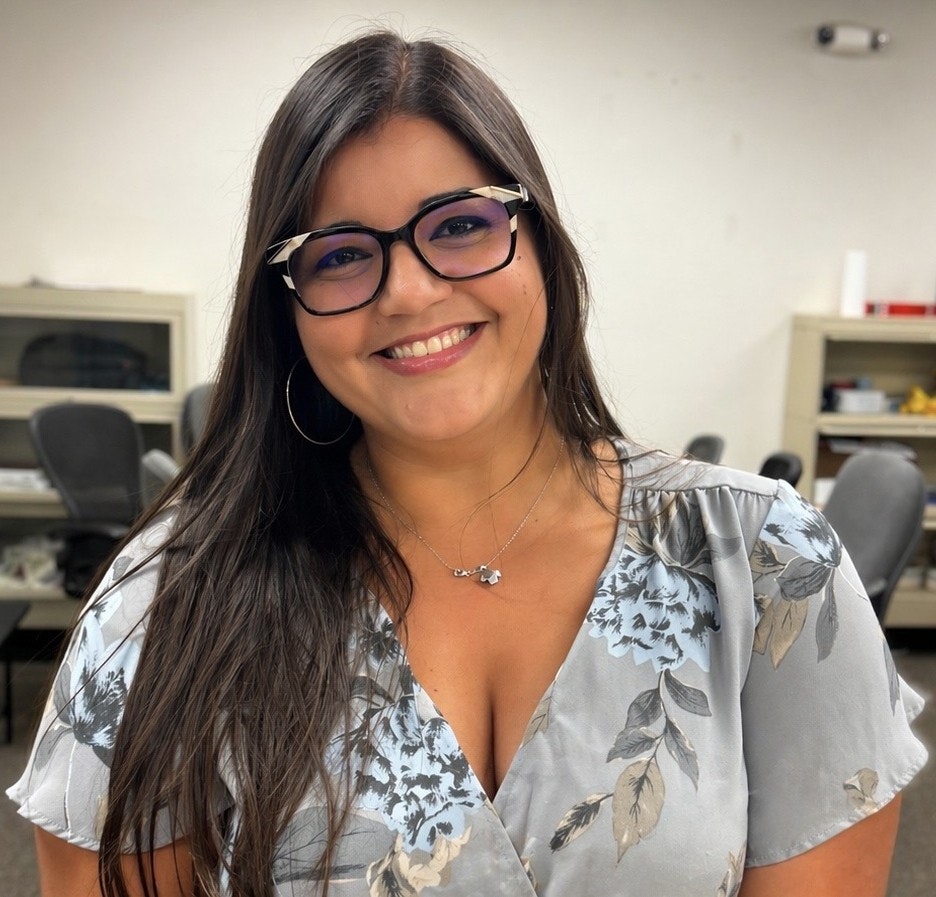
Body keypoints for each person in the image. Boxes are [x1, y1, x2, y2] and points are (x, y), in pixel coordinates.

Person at [7, 30, 927, 897]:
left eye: (457, 225)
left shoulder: (767, 568)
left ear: (541, 241)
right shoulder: (170, 601)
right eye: (340, 254)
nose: (409, 292)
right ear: (286, 309)